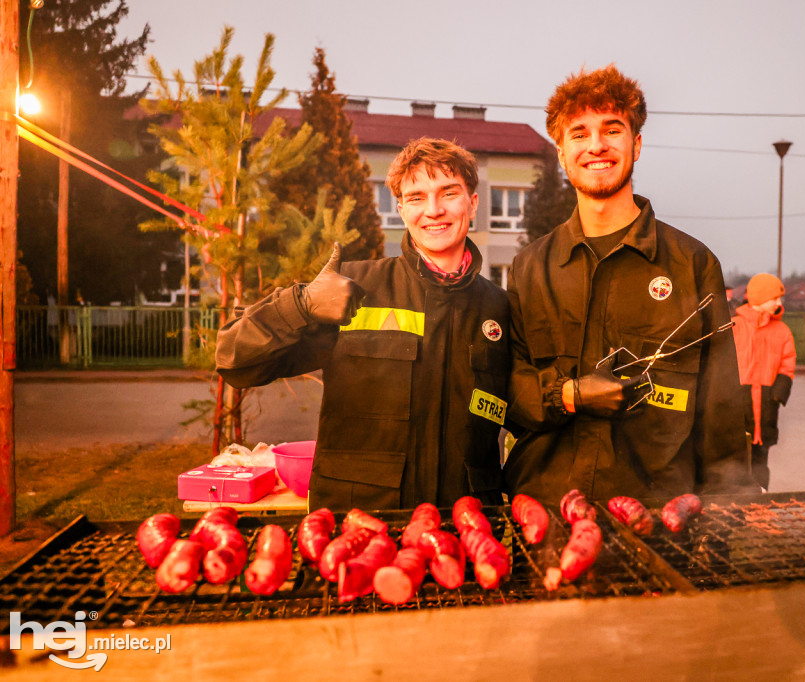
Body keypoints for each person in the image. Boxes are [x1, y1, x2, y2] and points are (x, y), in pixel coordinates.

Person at [503, 65, 757, 505]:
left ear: (636, 145)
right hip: (546, 512)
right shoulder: (530, 268)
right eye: (579, 133)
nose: (596, 145)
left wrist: (727, 504)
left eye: (612, 129)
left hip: (657, 514)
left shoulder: (692, 264)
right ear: (561, 153)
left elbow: (721, 409)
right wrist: (567, 395)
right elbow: (508, 385)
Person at [216, 138, 510, 510]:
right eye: (416, 197)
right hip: (359, 525)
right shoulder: (349, 289)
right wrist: (301, 305)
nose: (434, 210)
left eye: (448, 193)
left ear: (473, 202)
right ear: (401, 209)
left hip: (466, 528)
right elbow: (234, 360)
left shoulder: (500, 308)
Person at [731, 273, 796, 491]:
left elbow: (787, 364)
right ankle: (734, 495)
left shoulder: (782, 330)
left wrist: (778, 394)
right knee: (735, 453)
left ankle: (761, 494)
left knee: (761, 456)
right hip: (738, 399)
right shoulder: (734, 326)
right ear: (759, 297)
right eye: (774, 298)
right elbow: (721, 361)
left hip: (767, 401)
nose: (779, 302)